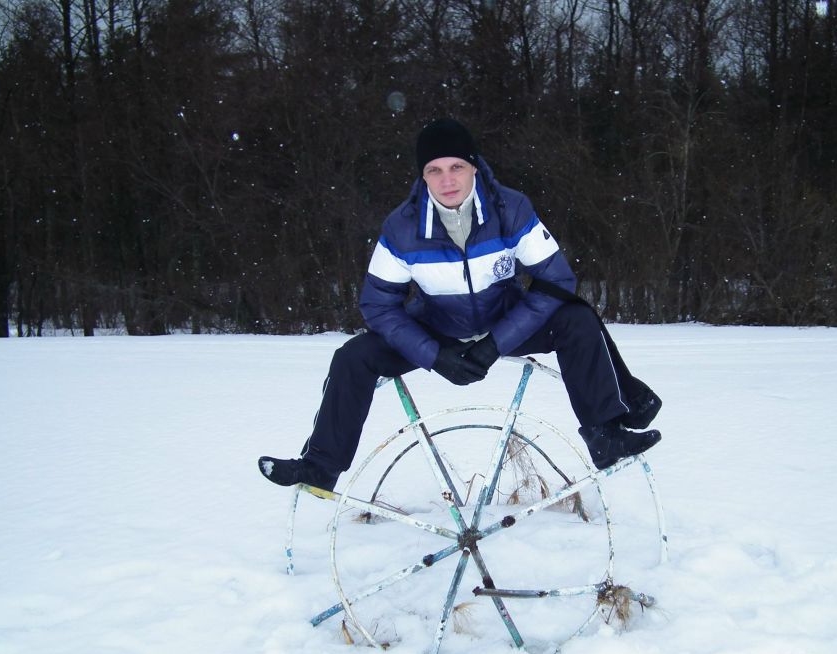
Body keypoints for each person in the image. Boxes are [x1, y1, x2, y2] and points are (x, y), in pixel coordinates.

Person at [259, 119, 661, 492]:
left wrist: (494, 344)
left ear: (473, 167)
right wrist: (434, 354)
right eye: (434, 170)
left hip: (506, 319)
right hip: (438, 327)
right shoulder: (402, 227)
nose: (447, 180)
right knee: (353, 357)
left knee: (577, 319)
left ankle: (605, 434)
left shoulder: (511, 209)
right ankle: (320, 467)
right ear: (422, 176)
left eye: (456, 167)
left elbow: (556, 280)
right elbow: (378, 306)